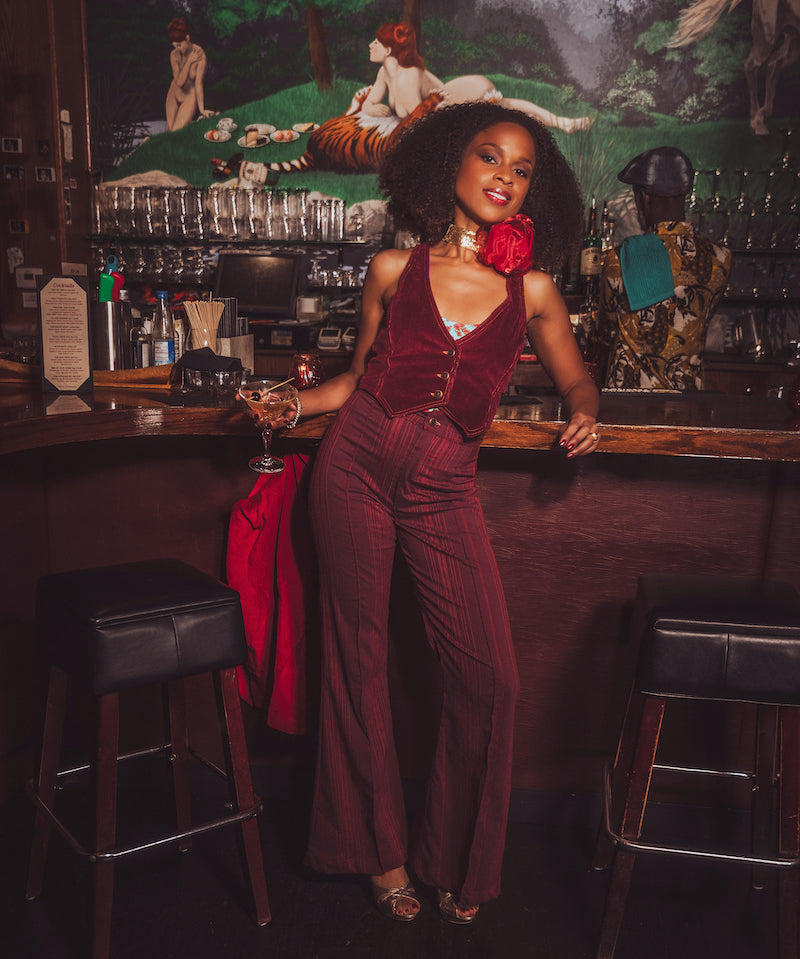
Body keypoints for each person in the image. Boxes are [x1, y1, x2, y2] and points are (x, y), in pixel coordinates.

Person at [248, 101, 599, 923]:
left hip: (444, 486)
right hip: (355, 468)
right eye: (491, 158)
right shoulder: (391, 271)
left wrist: (586, 410)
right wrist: (289, 405)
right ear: (452, 166)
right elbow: (353, 381)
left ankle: (457, 860)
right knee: (357, 660)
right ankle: (376, 852)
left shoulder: (533, 289)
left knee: (489, 677)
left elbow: (576, 379)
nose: (505, 178)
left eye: (521, 171)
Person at [600, 146, 732, 391]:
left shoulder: (620, 258)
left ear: (644, 196)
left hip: (626, 399)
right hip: (687, 397)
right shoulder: (722, 258)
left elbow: (606, 330)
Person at [360, 22, 594, 134]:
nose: (371, 46)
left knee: (503, 109)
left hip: (465, 94)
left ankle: (561, 122)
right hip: (454, 93)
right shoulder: (385, 73)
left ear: (389, 50)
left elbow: (421, 122)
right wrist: (371, 107)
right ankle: (561, 122)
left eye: (376, 43)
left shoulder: (409, 76)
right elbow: (371, 103)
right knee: (506, 108)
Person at [165, 17, 215, 131]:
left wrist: (202, 110)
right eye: (175, 46)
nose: (177, 49)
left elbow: (198, 83)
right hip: (174, 92)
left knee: (175, 132)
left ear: (187, 38)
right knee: (170, 132)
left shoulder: (200, 54)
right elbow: (179, 82)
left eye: (180, 45)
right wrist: (189, 61)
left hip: (189, 96)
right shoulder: (174, 55)